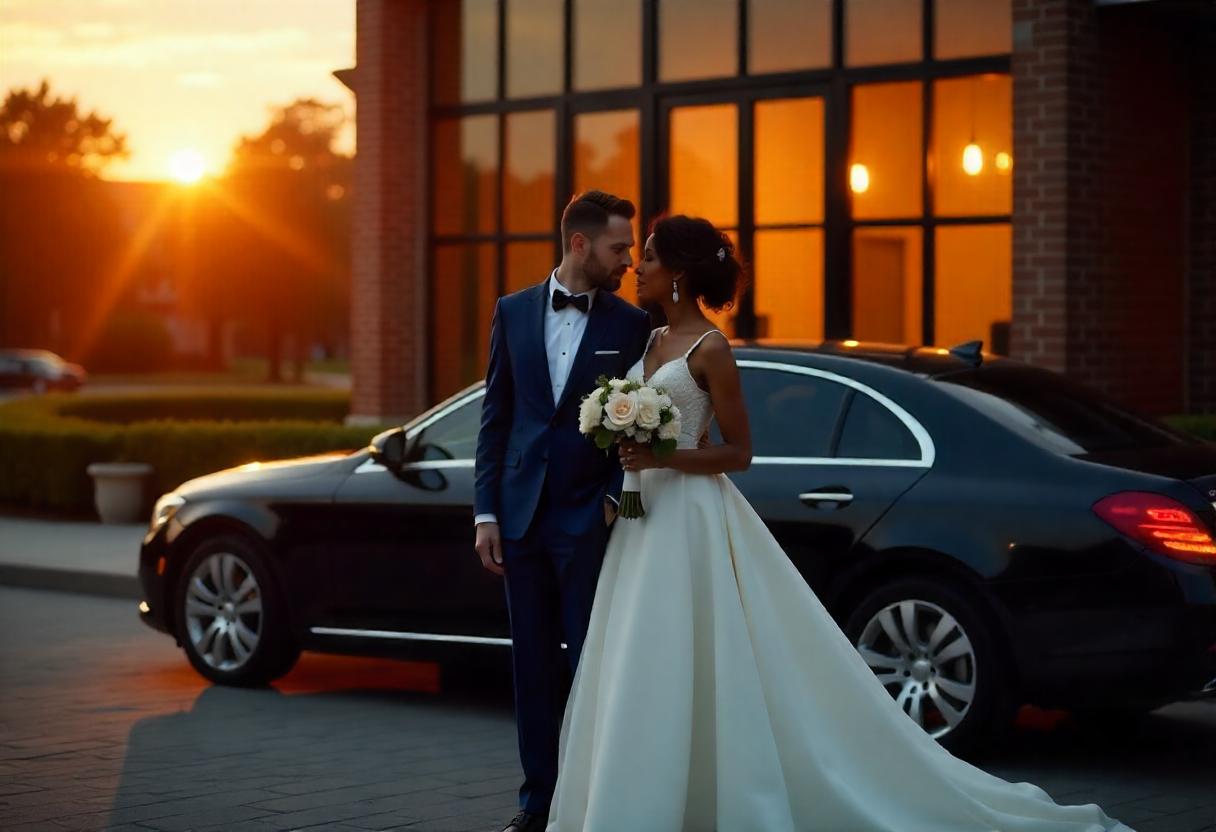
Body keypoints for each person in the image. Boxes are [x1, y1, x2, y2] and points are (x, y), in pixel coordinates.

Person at [544, 215, 1134, 832]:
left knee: (696, 652)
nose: (639, 266)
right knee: (640, 656)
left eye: (652, 258)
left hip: (689, 518)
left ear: (680, 274)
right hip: (643, 518)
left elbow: (738, 453)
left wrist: (667, 455)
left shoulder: (711, 349)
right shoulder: (647, 339)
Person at [474, 191, 652, 832]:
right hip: (518, 521)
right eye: (618, 247)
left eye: (630, 250)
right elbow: (496, 420)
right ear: (580, 244)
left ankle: (593, 800)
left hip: (587, 524)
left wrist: (610, 501)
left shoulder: (631, 325)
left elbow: (639, 430)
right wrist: (485, 513)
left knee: (591, 665)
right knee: (531, 667)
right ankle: (536, 804)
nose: (628, 260)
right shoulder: (512, 311)